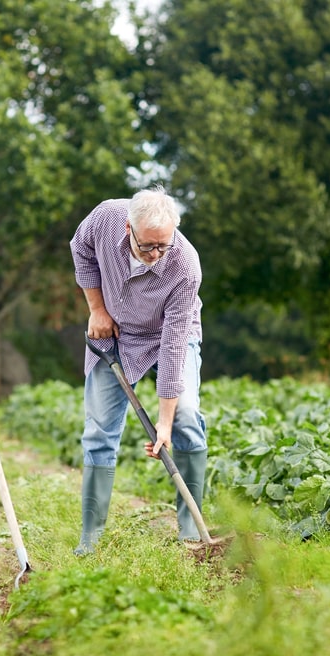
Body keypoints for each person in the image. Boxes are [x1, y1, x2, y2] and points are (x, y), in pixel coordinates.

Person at [69, 184, 205, 555]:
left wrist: (164, 421)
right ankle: (90, 539)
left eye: (164, 245)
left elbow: (175, 347)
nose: (156, 255)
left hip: (169, 332)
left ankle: (190, 532)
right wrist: (97, 309)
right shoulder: (107, 217)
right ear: (128, 229)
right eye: (148, 246)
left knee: (187, 418)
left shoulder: (184, 265)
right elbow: (79, 250)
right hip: (116, 331)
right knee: (99, 430)